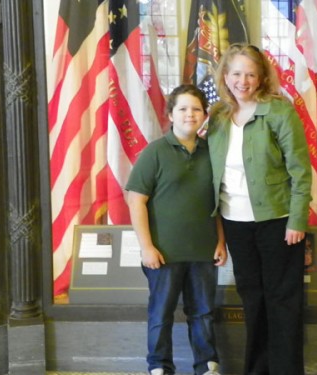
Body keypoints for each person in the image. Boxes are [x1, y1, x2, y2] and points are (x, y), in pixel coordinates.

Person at [207, 43, 312, 375]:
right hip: (236, 224)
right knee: (253, 300)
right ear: (225, 75)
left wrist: (297, 221)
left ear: (262, 77)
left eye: (251, 74)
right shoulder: (217, 116)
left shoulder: (279, 112)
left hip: (279, 223)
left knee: (283, 302)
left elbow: (300, 171)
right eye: (236, 73)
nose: (243, 81)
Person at [125, 84, 227, 375]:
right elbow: (136, 201)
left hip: (204, 253)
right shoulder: (155, 152)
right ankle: (158, 366)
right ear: (170, 114)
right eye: (182, 108)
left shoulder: (213, 152)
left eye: (196, 109)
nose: (189, 114)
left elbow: (217, 203)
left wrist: (221, 242)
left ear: (204, 115)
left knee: (204, 313)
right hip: (163, 254)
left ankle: (207, 365)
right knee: (161, 314)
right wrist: (147, 247)